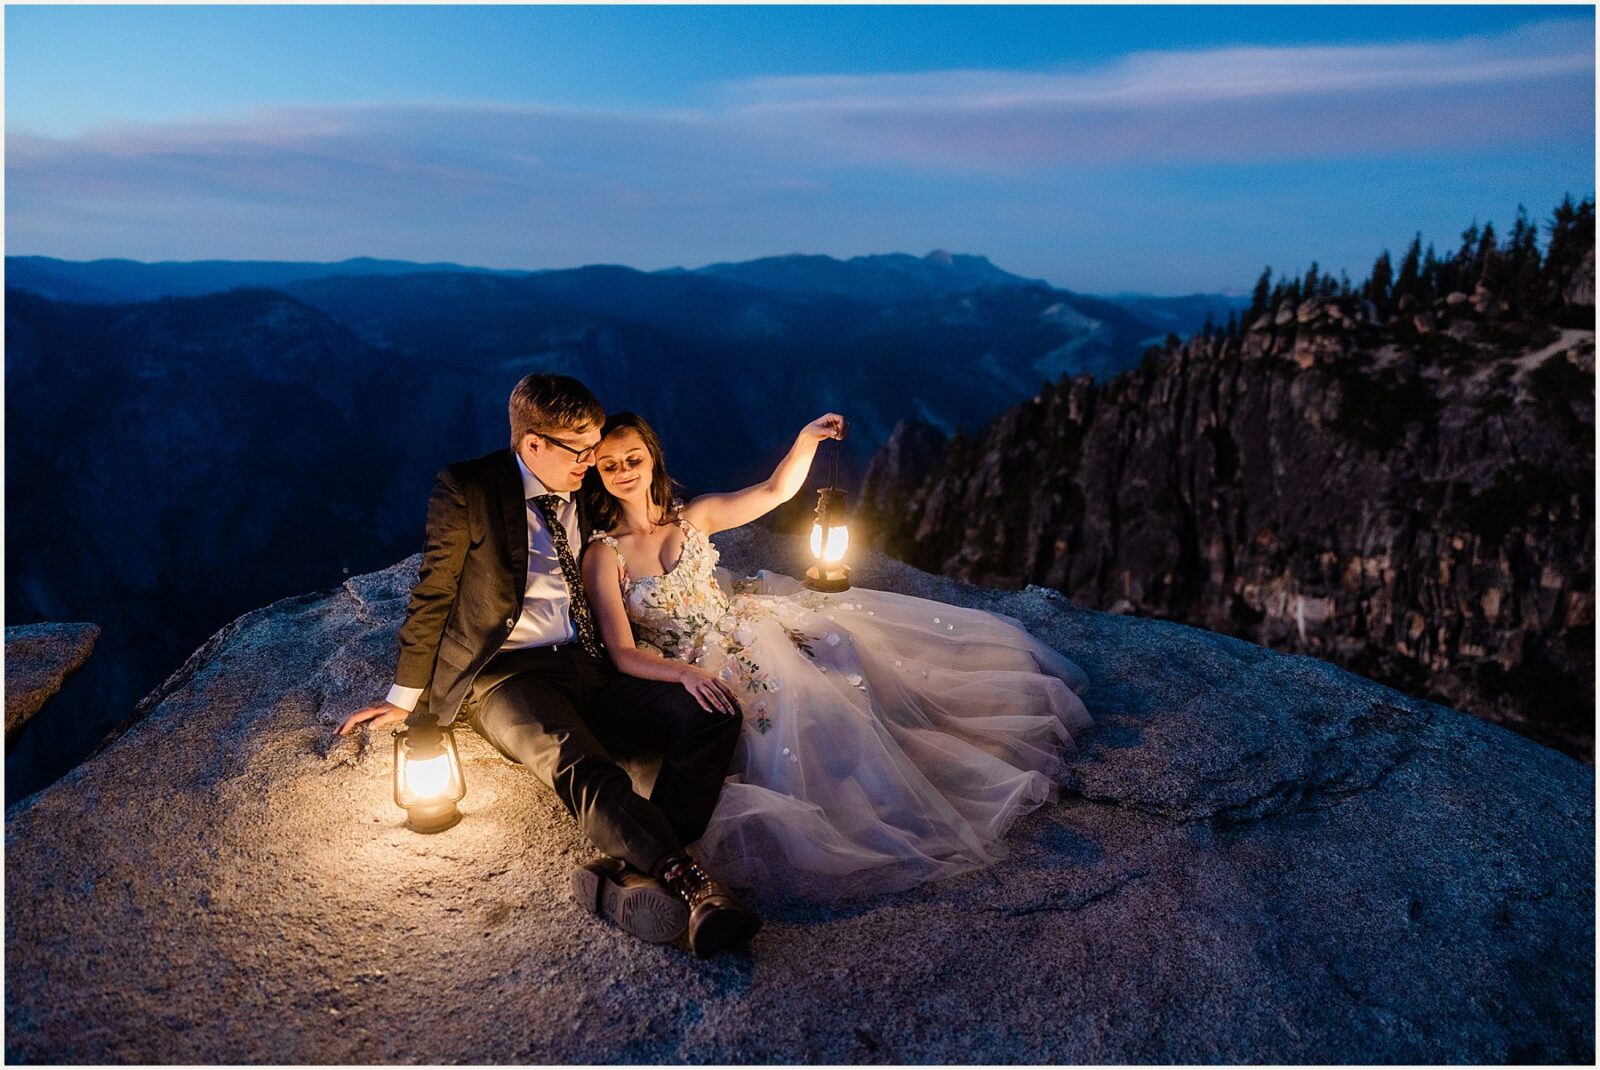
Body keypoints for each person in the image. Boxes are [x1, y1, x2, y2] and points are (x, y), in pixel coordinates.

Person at [579, 411, 1096, 902]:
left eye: (633, 458)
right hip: (691, 664)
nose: (624, 472)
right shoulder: (605, 553)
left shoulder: (695, 517)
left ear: (652, 458)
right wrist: (683, 673)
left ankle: (880, 777)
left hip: (745, 627)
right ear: (596, 473)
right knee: (781, 701)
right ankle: (843, 801)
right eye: (610, 465)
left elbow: (774, 492)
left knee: (834, 646)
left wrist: (808, 440)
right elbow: (623, 652)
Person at [337, 373, 762, 958]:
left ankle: (620, 873)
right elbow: (433, 593)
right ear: (533, 444)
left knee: (710, 711)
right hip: (509, 674)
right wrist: (407, 698)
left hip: (590, 661)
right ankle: (693, 888)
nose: (594, 463)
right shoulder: (470, 489)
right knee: (579, 761)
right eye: (581, 451)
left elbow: (642, 508)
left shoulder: (584, 486)